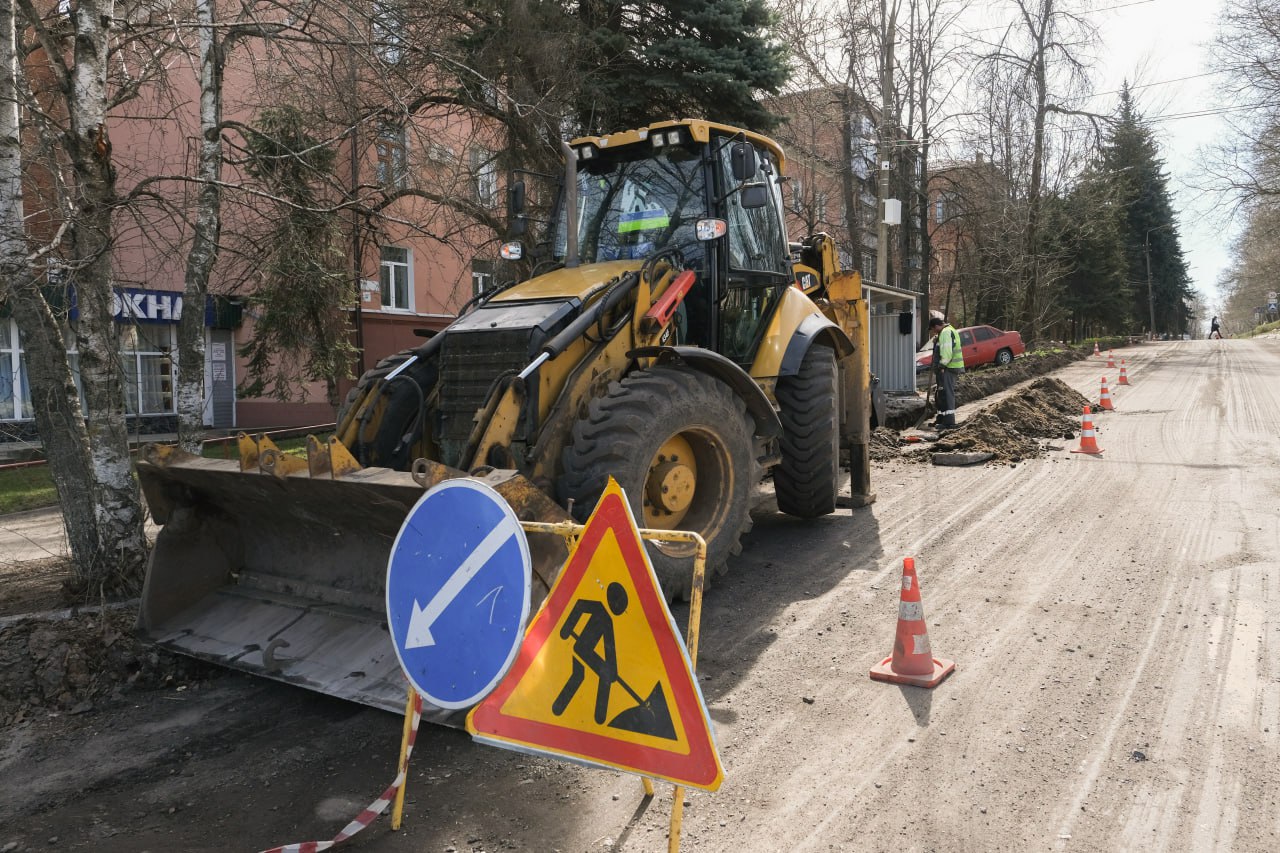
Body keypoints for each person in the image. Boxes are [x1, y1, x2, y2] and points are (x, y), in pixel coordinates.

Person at [929, 316, 964, 430]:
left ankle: (949, 422)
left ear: (937, 326)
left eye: (934, 329)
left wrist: (942, 365)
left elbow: (947, 352)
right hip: (950, 366)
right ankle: (941, 418)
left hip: (949, 367)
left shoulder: (945, 332)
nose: (934, 332)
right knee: (942, 393)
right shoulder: (948, 331)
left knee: (947, 393)